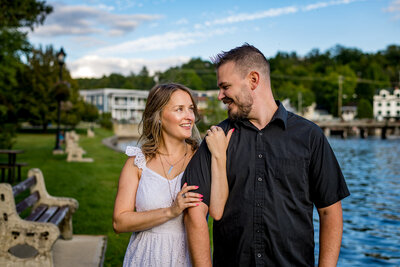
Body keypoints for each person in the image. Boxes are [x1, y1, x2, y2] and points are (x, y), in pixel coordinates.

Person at [182, 44, 350, 267]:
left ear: (253, 80)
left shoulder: (310, 136)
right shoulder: (217, 138)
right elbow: (195, 212)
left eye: (225, 87)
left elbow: (330, 212)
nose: (220, 95)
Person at [112, 83, 232, 267]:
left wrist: (219, 156)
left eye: (191, 109)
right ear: (158, 116)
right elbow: (119, 222)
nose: (189, 117)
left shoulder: (202, 158)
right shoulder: (137, 163)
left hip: (185, 256)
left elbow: (217, 209)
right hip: (145, 256)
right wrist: (171, 211)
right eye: (179, 109)